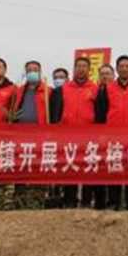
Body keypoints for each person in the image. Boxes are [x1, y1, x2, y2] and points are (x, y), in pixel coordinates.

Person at [96, 55, 128, 210]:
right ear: (117, 69)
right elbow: (101, 112)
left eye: (127, 66)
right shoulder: (108, 88)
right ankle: (114, 202)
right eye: (121, 66)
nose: (124, 69)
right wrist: (102, 134)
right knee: (115, 168)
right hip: (113, 136)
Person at [49, 56, 98, 207]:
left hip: (89, 136)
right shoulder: (63, 89)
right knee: (70, 167)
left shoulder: (95, 89)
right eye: (78, 66)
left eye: (84, 66)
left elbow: (100, 112)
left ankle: (86, 201)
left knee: (88, 168)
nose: (81, 69)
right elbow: (56, 112)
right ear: (74, 69)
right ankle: (69, 201)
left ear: (89, 69)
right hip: (68, 135)